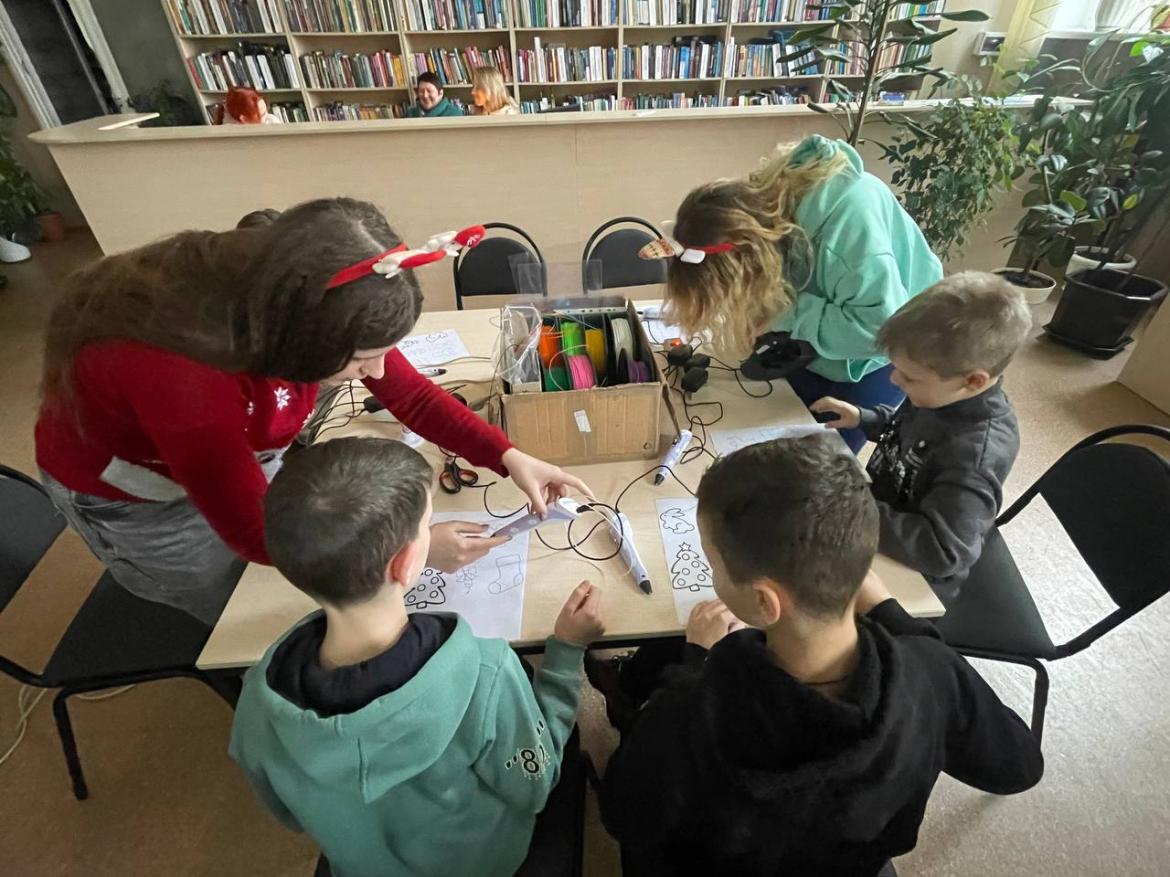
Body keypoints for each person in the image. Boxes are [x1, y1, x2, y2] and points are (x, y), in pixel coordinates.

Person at [35, 198, 589, 625]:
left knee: (297, 574)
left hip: (221, 445)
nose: (377, 373)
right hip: (144, 499)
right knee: (238, 612)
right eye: (363, 360)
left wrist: (507, 455)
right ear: (305, 343)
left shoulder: (307, 307)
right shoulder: (184, 377)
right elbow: (256, 532)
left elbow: (414, 396)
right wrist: (410, 550)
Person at [599, 435, 1044, 876]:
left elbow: (622, 814)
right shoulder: (930, 672)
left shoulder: (691, 711)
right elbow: (1018, 767)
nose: (712, 575)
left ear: (765, 602)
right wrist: (893, 614)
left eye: (714, 565)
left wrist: (692, 661)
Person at [230, 436, 605, 877]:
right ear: (406, 563)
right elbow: (535, 785)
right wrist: (565, 654)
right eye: (428, 524)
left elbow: (287, 814)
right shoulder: (486, 672)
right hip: (484, 863)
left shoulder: (257, 697)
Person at [656, 135, 943, 452]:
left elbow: (882, 331)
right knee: (779, 423)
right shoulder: (767, 208)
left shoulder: (845, 232)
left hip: (884, 346)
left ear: (747, 254)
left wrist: (783, 313)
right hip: (832, 333)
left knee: (821, 461)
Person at [811, 271, 1032, 602]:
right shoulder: (940, 395)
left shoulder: (973, 456)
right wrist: (864, 418)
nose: (895, 381)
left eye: (910, 378)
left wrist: (847, 508)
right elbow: (906, 433)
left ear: (973, 381)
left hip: (912, 578)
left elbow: (943, 552)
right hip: (874, 521)